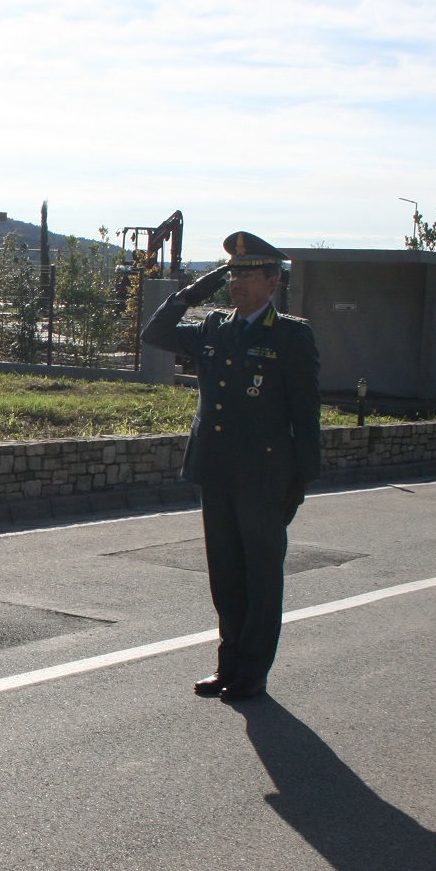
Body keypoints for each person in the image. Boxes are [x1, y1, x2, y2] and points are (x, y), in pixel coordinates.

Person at [141, 231, 320, 702]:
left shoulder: (291, 335)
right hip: (216, 467)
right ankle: (228, 665)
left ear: (271, 281)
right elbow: (154, 334)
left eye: (246, 272)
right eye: (232, 272)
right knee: (225, 573)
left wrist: (301, 479)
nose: (236, 281)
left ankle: (253, 672)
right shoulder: (215, 326)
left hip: (264, 474)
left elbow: (306, 413)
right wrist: (197, 289)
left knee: (261, 574)